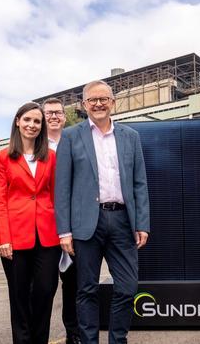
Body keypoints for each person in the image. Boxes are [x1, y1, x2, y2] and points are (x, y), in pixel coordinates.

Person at [55, 80, 150, 344]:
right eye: (92, 100)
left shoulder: (131, 136)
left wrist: (142, 223)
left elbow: (140, 182)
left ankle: (117, 340)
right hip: (86, 224)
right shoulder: (71, 136)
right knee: (86, 289)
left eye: (103, 99)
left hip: (123, 221)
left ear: (113, 103)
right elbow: (62, 188)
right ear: (84, 105)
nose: (98, 104)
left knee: (127, 288)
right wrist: (64, 231)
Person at [0, 102, 60, 344]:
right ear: (17, 122)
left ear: (42, 127)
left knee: (45, 290)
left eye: (37, 121)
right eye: (28, 120)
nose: (32, 125)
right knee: (19, 296)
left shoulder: (50, 157)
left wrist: (62, 232)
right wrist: (3, 238)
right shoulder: (2, 158)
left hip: (47, 233)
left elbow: (55, 195)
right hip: (15, 236)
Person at [44, 97, 81, 344]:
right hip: (45, 222)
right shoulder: (34, 146)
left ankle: (74, 334)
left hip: (75, 222)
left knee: (74, 285)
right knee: (45, 287)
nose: (54, 116)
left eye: (58, 112)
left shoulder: (75, 141)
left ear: (64, 116)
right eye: (49, 113)